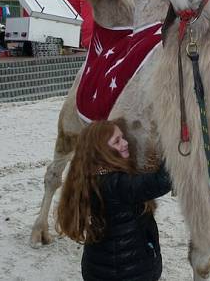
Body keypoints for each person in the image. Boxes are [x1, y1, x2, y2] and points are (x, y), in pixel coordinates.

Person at [56, 119, 172, 281]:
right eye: (117, 141)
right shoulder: (115, 185)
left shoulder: (88, 179)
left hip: (98, 268)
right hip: (129, 272)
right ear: (101, 150)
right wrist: (173, 143)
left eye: (122, 137)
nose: (125, 143)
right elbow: (163, 181)